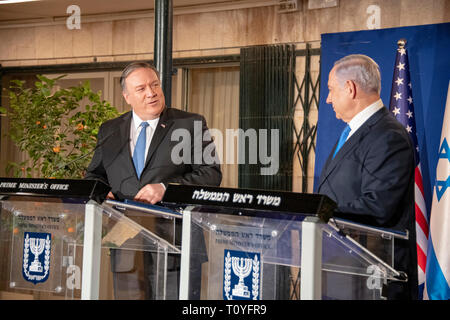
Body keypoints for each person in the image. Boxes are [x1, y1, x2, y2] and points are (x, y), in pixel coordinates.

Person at [85, 61, 222, 299]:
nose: (151, 93)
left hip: (176, 244)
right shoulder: (109, 130)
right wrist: (101, 192)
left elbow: (211, 174)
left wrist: (165, 189)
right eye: (141, 89)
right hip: (125, 242)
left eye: (155, 85)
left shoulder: (190, 124)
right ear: (127, 96)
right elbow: (95, 175)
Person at [317, 54, 418, 300]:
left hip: (371, 279)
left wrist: (316, 210)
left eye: (331, 90)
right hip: (342, 271)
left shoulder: (388, 135)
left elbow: (378, 206)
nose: (328, 98)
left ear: (350, 88)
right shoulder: (355, 130)